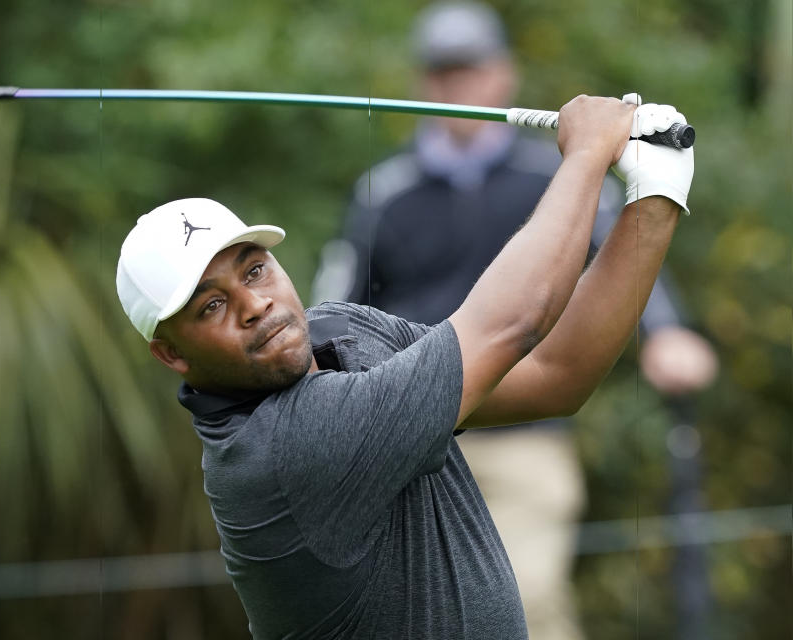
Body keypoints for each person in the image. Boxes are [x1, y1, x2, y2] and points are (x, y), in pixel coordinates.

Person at [115, 96, 693, 639]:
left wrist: (656, 198)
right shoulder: (279, 451)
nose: (254, 305)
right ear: (173, 354)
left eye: (254, 270)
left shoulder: (344, 330)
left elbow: (552, 375)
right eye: (212, 305)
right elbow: (510, 324)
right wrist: (588, 152)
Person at [311, 4, 718, 638]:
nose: (457, 87)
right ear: (425, 84)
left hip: (529, 427)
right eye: (442, 73)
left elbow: (627, 255)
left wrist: (665, 332)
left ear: (503, 76)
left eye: (470, 70)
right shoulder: (382, 191)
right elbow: (333, 308)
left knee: (528, 600)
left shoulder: (558, 172)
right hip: (414, 443)